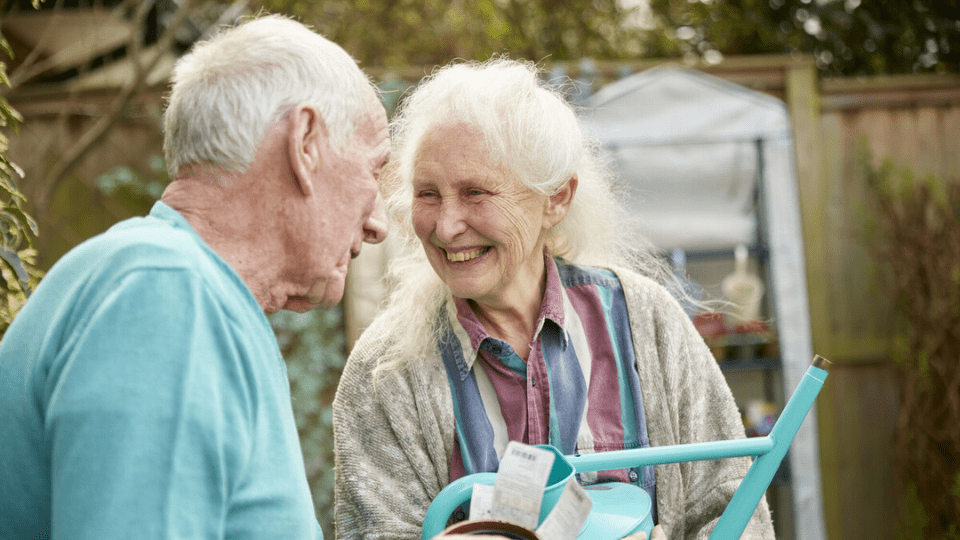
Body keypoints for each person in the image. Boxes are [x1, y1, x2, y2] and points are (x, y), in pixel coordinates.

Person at [332, 58, 775, 540]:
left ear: (556, 199)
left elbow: (733, 501)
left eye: (476, 192)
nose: (445, 226)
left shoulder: (646, 322)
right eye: (428, 194)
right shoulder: (385, 372)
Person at [0, 15, 390, 540]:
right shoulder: (167, 296)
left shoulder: (169, 285)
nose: (378, 223)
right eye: (374, 169)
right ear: (305, 142)